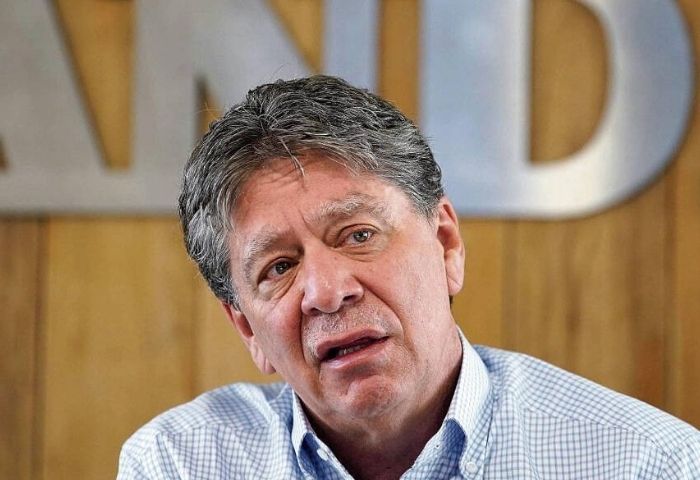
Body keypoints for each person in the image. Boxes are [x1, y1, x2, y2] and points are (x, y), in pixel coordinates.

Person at [117, 75, 699, 479]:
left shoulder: (646, 463)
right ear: (247, 328)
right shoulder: (179, 464)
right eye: (279, 267)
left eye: (358, 235)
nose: (328, 292)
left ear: (446, 245)